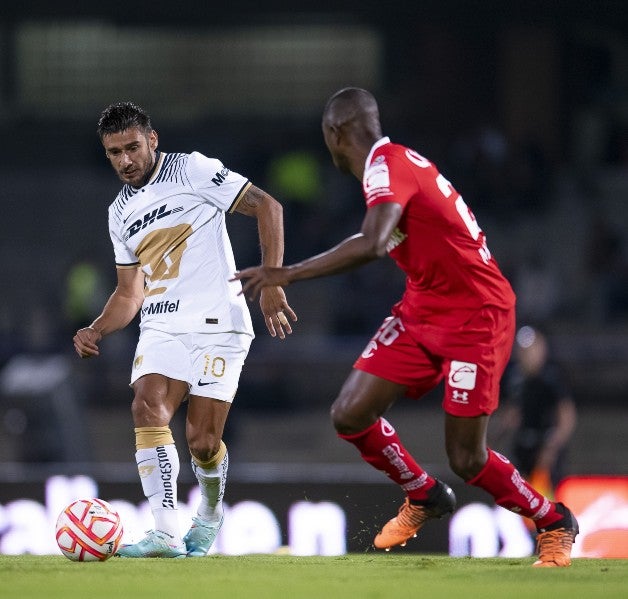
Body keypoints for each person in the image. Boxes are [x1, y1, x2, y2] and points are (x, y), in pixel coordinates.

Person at [233, 88, 578, 567]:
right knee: (349, 413)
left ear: (334, 135)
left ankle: (552, 520)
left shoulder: (386, 166)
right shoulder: (393, 165)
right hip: (424, 306)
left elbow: (373, 242)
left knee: (467, 459)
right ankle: (424, 494)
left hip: (477, 316)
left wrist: (286, 273)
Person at [73, 101, 295, 558]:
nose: (125, 161)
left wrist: (272, 280)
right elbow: (129, 294)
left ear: (152, 140)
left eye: (132, 147)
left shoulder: (191, 170)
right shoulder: (119, 213)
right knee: (146, 404)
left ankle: (210, 513)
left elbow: (267, 206)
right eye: (114, 152)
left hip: (219, 323)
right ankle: (165, 532)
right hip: (161, 327)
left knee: (202, 442)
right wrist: (96, 328)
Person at [497, 325, 577, 498]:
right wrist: (495, 436)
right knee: (519, 497)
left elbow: (566, 415)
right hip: (522, 446)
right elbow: (513, 411)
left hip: (545, 447)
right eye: (523, 350)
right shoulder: (515, 378)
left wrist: (553, 445)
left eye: (532, 349)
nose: (527, 355)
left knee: (545, 498)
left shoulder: (552, 377)